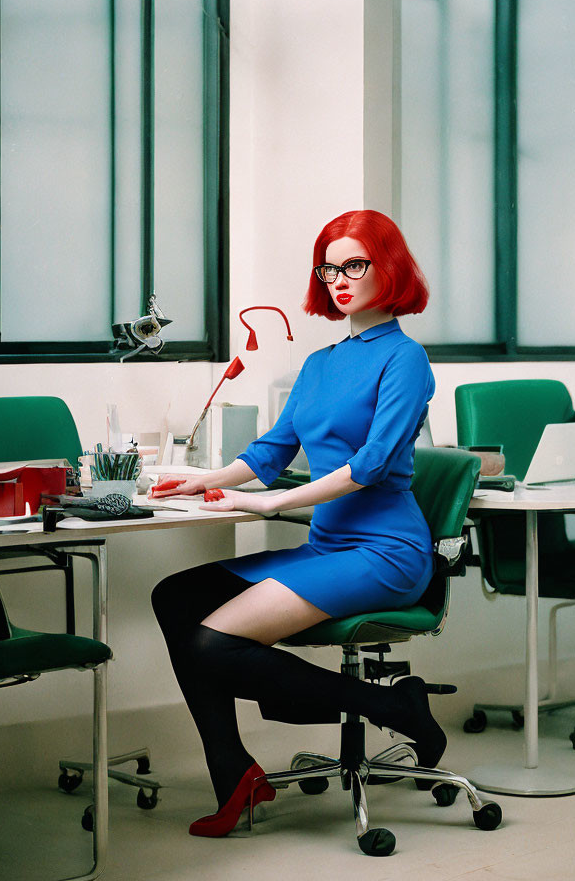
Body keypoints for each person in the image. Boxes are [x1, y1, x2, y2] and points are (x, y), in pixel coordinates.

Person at [150, 209, 444, 839]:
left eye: (355, 264)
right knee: (175, 596)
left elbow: (368, 467)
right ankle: (235, 775)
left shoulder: (405, 358)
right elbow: (271, 452)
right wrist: (208, 480)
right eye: (329, 267)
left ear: (386, 267)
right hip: (329, 547)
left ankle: (392, 704)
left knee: (215, 643)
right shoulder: (320, 362)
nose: (340, 278)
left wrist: (268, 505)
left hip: (388, 552)